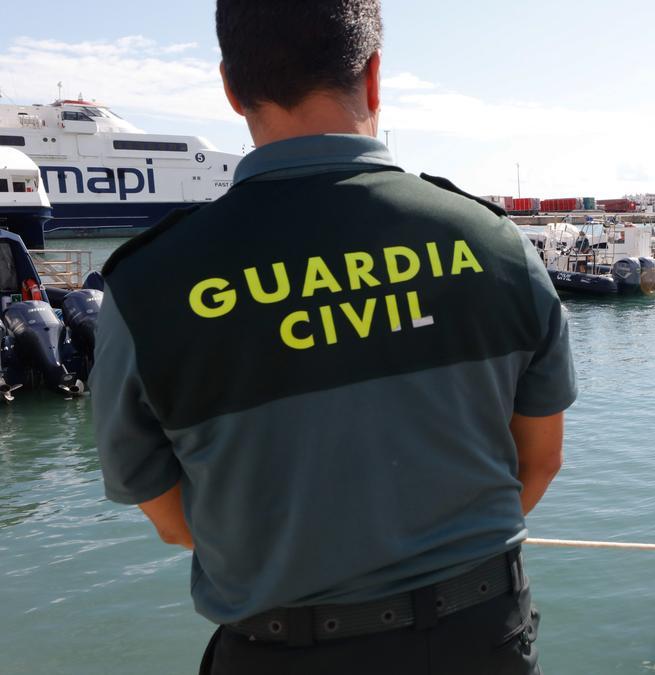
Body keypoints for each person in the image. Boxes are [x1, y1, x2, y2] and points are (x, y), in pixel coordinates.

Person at [90, 2, 575, 673]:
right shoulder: (495, 248)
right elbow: (540, 460)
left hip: (276, 650)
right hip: (477, 639)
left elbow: (173, 520)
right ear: (375, 75)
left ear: (231, 88)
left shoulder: (146, 286)